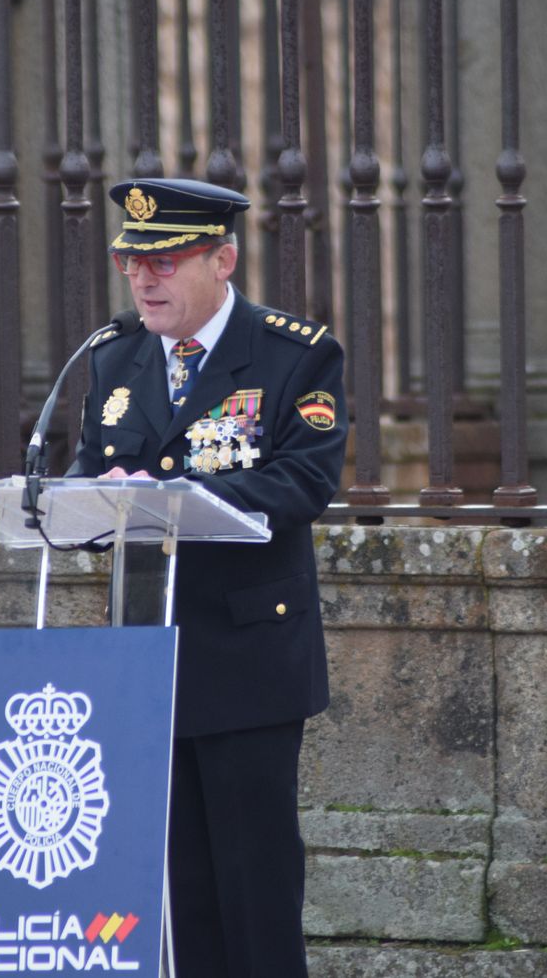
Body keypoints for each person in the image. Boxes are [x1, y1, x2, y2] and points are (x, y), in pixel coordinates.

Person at [70, 177, 349, 978]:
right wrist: (86, 500)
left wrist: (177, 499)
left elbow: (304, 481)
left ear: (222, 261)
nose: (143, 279)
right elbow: (89, 473)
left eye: (164, 261)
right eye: (130, 262)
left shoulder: (294, 353)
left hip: (246, 656)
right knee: (177, 891)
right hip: (147, 658)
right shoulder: (115, 357)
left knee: (254, 890)